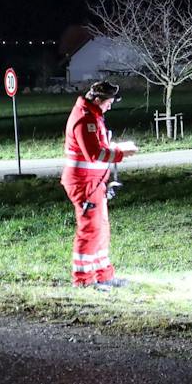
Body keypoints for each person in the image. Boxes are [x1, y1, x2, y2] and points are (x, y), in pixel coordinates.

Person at [61, 80, 138, 289]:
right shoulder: (85, 119)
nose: (110, 106)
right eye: (109, 102)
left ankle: (104, 275)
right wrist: (121, 153)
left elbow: (99, 147)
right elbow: (95, 153)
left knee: (101, 228)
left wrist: (116, 147)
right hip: (84, 183)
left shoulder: (92, 115)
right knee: (90, 229)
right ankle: (84, 280)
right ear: (97, 99)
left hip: (93, 183)